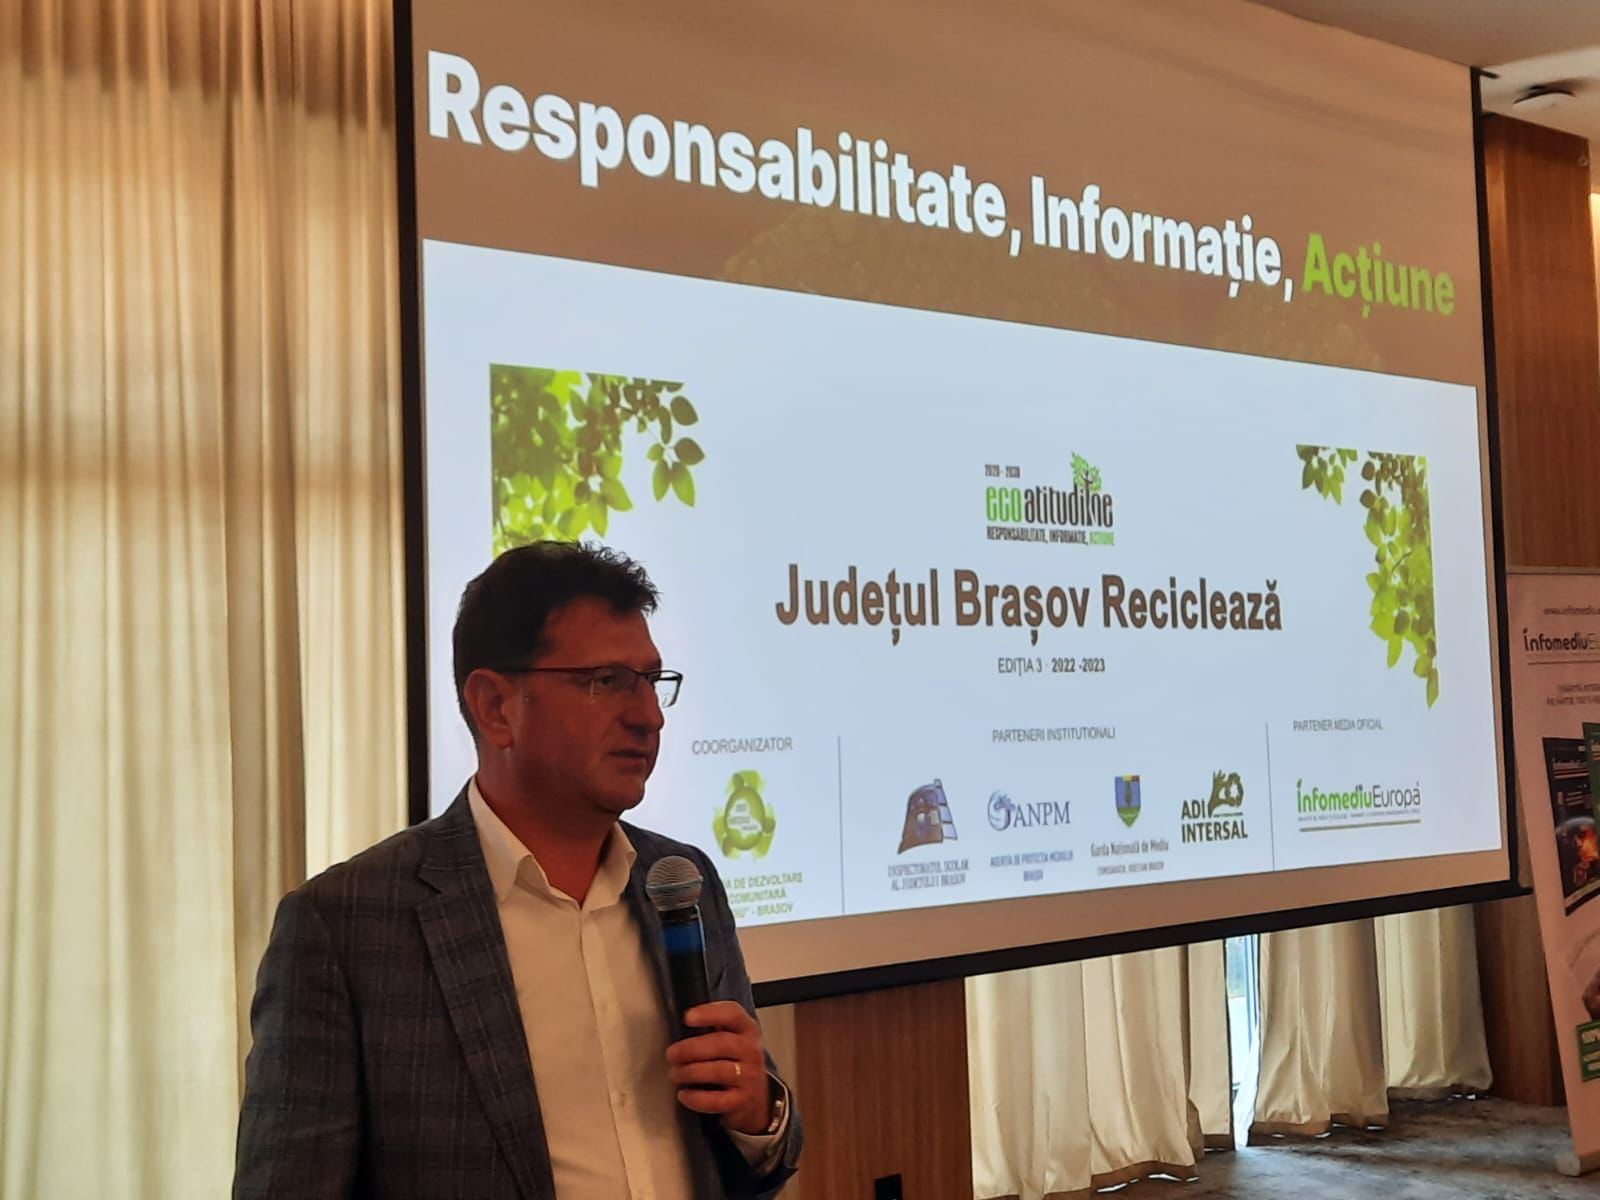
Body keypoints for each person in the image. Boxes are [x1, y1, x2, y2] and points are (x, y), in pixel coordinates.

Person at [235, 541, 802, 1199]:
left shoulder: (681, 883)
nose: (648, 716)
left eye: (651, 681)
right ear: (495, 707)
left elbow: (753, 1154)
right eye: (607, 681)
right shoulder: (346, 925)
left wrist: (758, 1114)